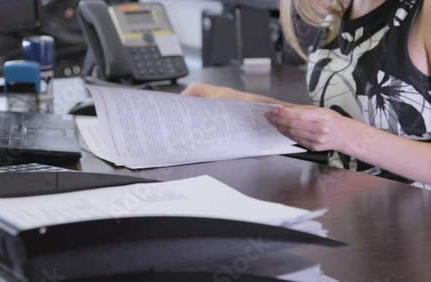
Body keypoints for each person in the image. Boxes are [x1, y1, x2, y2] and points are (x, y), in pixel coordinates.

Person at [181, 0, 431, 188]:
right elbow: (339, 121)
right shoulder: (339, 9)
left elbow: (344, 131)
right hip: (353, 212)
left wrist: (346, 136)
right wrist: (244, 104)